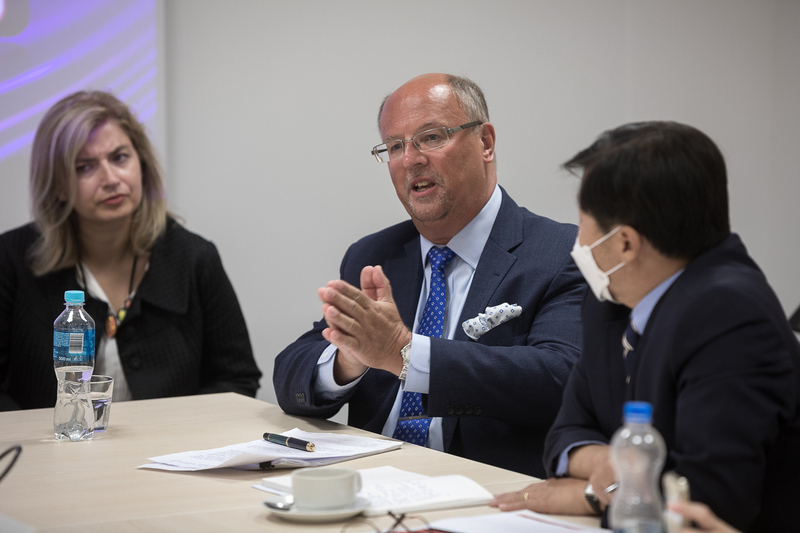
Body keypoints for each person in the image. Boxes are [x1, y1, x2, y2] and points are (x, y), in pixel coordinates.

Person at [490, 122, 800, 532]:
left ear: (625, 244)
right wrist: (611, 466)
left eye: (583, 220)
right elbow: (564, 434)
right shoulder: (610, 297)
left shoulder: (730, 316)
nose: (578, 239)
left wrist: (591, 493)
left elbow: (709, 501)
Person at [273, 73, 585, 477]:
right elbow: (291, 374)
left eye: (432, 137)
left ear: (485, 143)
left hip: (483, 489)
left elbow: (563, 377)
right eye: (395, 146)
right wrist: (348, 359)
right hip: (371, 481)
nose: (410, 159)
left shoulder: (559, 251)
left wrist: (404, 353)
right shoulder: (374, 255)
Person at [0, 91, 262, 410]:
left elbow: (236, 380)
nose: (111, 179)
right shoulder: (11, 260)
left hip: (169, 452)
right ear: (58, 184)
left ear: (141, 163)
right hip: (46, 453)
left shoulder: (194, 258)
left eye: (120, 158)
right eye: (85, 167)